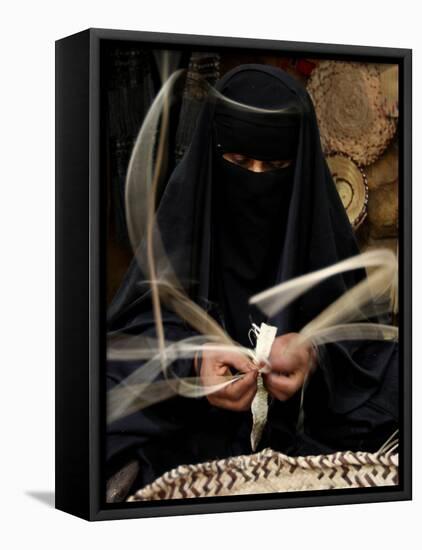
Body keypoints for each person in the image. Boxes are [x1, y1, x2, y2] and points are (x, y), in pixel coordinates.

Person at [106, 64, 398, 499]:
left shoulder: (315, 229)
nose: (256, 179)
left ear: (299, 171)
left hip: (303, 442)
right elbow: (125, 345)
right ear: (212, 153)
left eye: (276, 165)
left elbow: (366, 348)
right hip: (187, 442)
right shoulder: (183, 229)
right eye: (239, 162)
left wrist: (315, 355)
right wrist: (191, 363)